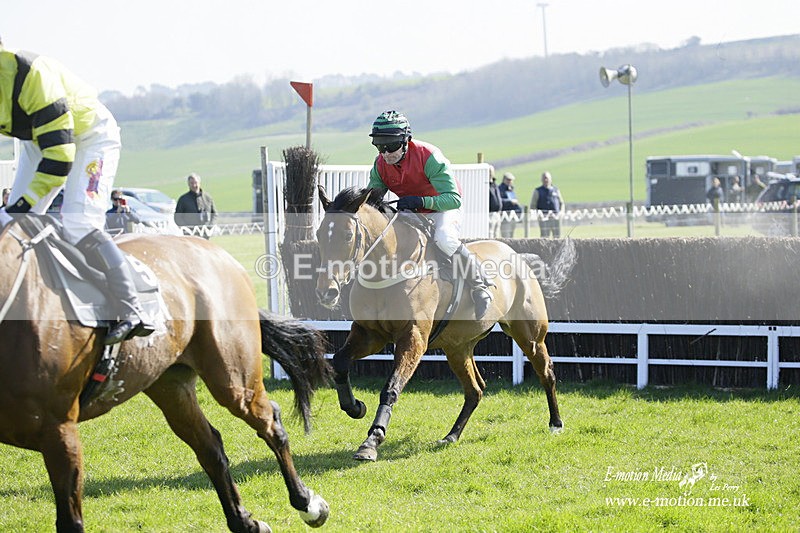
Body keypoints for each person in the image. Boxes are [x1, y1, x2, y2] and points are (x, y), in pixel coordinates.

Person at [0, 38, 152, 344]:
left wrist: (23, 204)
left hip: (89, 137)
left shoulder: (32, 75)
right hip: (37, 140)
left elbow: (59, 162)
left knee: (78, 223)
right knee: (7, 223)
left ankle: (131, 306)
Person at [366, 110, 493, 319]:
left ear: (406, 140)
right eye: (380, 146)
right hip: (413, 212)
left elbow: (453, 199)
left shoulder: (429, 156)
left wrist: (420, 201)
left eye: (391, 145)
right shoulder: (380, 165)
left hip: (443, 207)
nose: (386, 153)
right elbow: (372, 200)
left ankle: (480, 285)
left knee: (444, 238)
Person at [174, 172, 217, 238]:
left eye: (196, 182)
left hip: (205, 234)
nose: (194, 185)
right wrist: (187, 229)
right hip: (190, 236)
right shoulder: (183, 200)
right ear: (188, 184)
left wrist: (209, 227)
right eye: (191, 183)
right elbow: (177, 217)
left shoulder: (208, 198)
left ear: (199, 183)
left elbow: (214, 214)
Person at [530, 171, 565, 238]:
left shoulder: (556, 190)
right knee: (545, 237)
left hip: (556, 218)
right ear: (541, 180)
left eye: (547, 178)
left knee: (557, 237)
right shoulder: (537, 191)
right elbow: (533, 205)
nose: (546, 180)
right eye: (544, 178)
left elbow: (562, 203)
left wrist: (561, 212)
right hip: (544, 218)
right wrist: (537, 215)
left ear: (550, 179)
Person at [498, 172, 523, 238]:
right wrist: (510, 201)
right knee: (506, 235)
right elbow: (499, 201)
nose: (510, 181)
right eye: (508, 180)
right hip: (504, 216)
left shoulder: (511, 189)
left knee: (511, 236)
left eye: (511, 180)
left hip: (512, 216)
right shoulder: (499, 189)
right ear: (504, 180)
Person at [487, 165, 502, 238]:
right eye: (489, 171)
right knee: (490, 232)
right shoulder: (486, 184)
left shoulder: (494, 184)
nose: (491, 173)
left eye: (491, 172)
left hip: (497, 213)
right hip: (490, 213)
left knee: (497, 233)